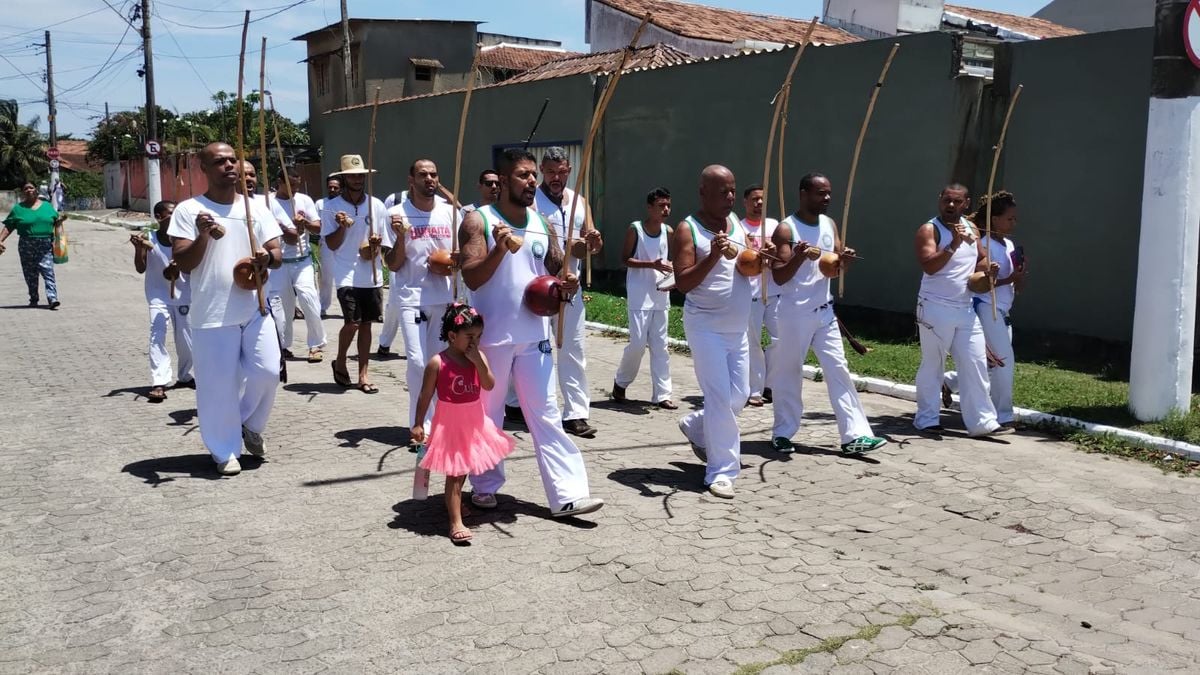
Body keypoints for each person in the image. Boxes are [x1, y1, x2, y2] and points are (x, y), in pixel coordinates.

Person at [459, 147, 603, 518]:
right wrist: (500, 249)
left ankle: (568, 495)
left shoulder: (540, 221)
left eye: (532, 176)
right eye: (523, 175)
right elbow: (472, 275)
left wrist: (568, 277)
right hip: (490, 338)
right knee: (489, 417)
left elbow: (556, 268)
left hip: (534, 336)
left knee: (547, 413)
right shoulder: (479, 221)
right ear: (503, 180)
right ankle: (485, 485)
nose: (531, 182)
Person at [167, 142, 283, 475]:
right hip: (213, 311)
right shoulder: (189, 210)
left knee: (268, 371)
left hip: (254, 306)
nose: (229, 165)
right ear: (203, 168)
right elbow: (185, 262)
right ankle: (224, 449)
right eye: (220, 161)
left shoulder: (255, 208)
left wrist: (266, 258)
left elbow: (276, 252)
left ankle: (248, 423)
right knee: (217, 385)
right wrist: (204, 236)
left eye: (233, 160)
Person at [766, 174, 887, 454]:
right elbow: (780, 276)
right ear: (803, 193)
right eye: (821, 193)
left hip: (824, 311)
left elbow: (834, 268)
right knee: (788, 372)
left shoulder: (829, 225)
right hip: (793, 313)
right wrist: (798, 256)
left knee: (838, 369)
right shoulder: (786, 230)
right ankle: (783, 432)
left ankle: (854, 436)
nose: (827, 198)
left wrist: (844, 260)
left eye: (829, 193)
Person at [674, 165, 760, 499]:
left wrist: (757, 259)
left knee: (740, 394)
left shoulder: (735, 222)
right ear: (703, 192)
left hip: (737, 327)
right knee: (721, 399)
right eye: (722, 191)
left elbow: (744, 262)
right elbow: (683, 282)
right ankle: (720, 471)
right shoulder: (687, 229)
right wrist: (711, 256)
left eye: (732, 191)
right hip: (705, 326)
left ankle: (697, 426)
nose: (729, 198)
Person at [411, 303, 516, 544]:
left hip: (475, 423)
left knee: (464, 468)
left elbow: (489, 384)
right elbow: (425, 396)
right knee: (455, 474)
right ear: (451, 336)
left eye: (478, 336)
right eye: (469, 336)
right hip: (450, 426)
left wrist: (477, 361)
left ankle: (454, 505)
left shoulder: (478, 358)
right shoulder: (438, 363)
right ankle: (455, 521)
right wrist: (418, 424)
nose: (475, 341)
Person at [913, 184, 1011, 437]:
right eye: (947, 200)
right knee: (933, 364)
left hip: (965, 308)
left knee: (975, 362)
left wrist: (988, 267)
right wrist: (953, 244)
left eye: (957, 202)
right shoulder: (929, 229)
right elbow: (929, 266)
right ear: (940, 199)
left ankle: (982, 422)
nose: (951, 206)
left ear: (966, 203)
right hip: (934, 306)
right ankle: (926, 419)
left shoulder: (972, 228)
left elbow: (979, 258)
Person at [380, 159, 455, 434]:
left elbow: (459, 254)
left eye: (433, 174)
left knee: (438, 363)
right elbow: (393, 264)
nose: (429, 179)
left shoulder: (449, 213)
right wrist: (401, 236)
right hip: (411, 296)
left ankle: (438, 423)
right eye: (423, 175)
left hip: (443, 297)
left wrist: (452, 262)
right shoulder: (395, 214)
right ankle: (418, 422)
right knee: (417, 360)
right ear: (411, 179)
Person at [533, 146, 603, 438]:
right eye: (550, 172)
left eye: (561, 172)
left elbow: (589, 247)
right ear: (541, 171)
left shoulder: (579, 201)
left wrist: (593, 241)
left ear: (569, 171)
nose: (556, 178)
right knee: (535, 349)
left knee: (573, 350)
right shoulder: (531, 202)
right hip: (536, 285)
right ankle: (527, 406)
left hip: (570, 286)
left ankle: (575, 413)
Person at [942, 191, 1025, 427]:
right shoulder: (984, 244)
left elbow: (1014, 282)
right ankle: (1003, 415)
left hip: (1003, 310)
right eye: (1009, 218)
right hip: (987, 307)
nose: (1014, 223)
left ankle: (949, 381)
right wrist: (1003, 278)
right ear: (994, 219)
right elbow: (978, 282)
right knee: (1003, 362)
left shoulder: (1008, 244)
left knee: (989, 362)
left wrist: (1017, 278)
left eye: (1015, 219)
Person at [320, 154, 389, 394]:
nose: (358, 179)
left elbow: (382, 242)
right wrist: (340, 225)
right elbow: (330, 244)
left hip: (370, 272)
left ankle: (363, 374)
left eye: (361, 175)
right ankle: (340, 359)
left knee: (367, 324)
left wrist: (375, 244)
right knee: (352, 322)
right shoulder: (331, 207)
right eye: (353, 175)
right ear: (344, 178)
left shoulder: (377, 205)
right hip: (345, 272)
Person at [612, 187, 676, 409]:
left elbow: (672, 260)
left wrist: (672, 274)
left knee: (661, 346)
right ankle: (620, 383)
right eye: (661, 205)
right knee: (638, 344)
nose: (666, 209)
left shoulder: (668, 231)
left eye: (668, 205)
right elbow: (625, 259)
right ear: (650, 207)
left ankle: (663, 394)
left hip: (660, 295)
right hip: (639, 295)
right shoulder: (636, 229)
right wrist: (652, 264)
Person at [132, 200, 193, 402]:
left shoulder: (184, 238)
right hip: (158, 295)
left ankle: (185, 376)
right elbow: (141, 268)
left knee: (186, 339)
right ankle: (159, 381)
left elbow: (195, 266)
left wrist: (181, 266)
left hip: (183, 294)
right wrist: (138, 248)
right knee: (157, 334)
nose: (175, 217)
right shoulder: (149, 238)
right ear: (159, 217)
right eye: (170, 213)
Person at [270, 167, 327, 362]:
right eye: (291, 185)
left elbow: (318, 227)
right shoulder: (268, 202)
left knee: (309, 298)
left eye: (297, 185)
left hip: (302, 260)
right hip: (278, 262)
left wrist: (305, 224)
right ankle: (284, 346)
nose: (295, 189)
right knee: (283, 307)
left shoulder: (304, 200)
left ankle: (316, 344)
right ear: (279, 181)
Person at [740, 184, 779, 407]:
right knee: (752, 342)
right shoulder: (740, 227)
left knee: (780, 339)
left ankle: (770, 384)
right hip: (751, 293)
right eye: (754, 199)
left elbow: (784, 254)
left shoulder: (774, 225)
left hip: (774, 291)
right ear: (745, 202)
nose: (759, 203)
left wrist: (773, 252)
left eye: (763, 199)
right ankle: (754, 389)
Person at [1, 180, 65, 308]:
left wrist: (60, 242)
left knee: (48, 270)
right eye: (26, 188)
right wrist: (1, 239)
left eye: (31, 187)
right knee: (30, 273)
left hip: (45, 244)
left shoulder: (47, 206)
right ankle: (34, 297)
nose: (29, 190)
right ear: (23, 192)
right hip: (26, 244)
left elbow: (56, 222)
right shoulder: (18, 209)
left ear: (36, 190)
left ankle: (52, 298)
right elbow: (9, 226)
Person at [315, 175, 341, 319]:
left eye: (335, 187)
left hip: (344, 245)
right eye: (330, 187)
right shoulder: (320, 203)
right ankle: (323, 307)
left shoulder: (344, 203)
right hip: (326, 244)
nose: (332, 190)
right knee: (326, 278)